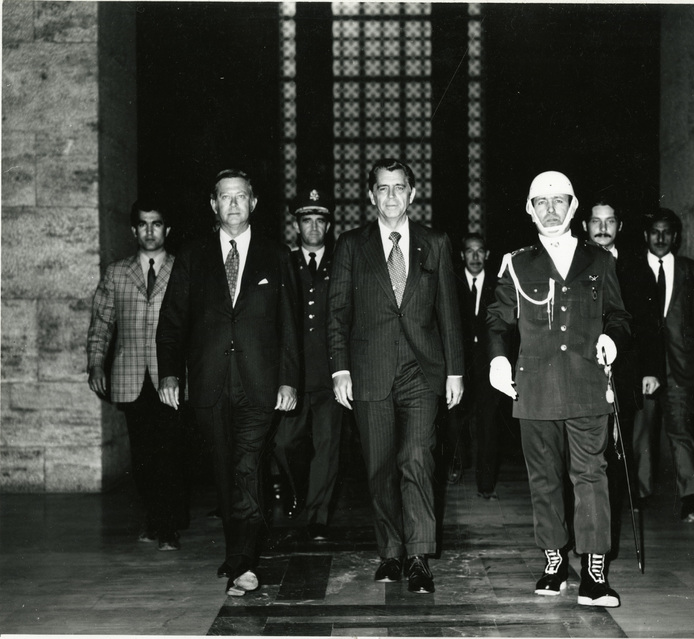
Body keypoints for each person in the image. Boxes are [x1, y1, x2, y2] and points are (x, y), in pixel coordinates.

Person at [486, 171, 630, 608]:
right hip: (535, 388)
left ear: (573, 207)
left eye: (559, 202)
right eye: (541, 203)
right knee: (543, 479)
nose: (550, 210)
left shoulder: (600, 261)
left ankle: (593, 572)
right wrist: (496, 357)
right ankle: (553, 561)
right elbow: (497, 318)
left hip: (588, 385)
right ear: (530, 210)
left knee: (591, 475)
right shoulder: (516, 262)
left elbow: (620, 316)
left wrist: (613, 338)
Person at [156, 169, 300, 597]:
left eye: (241, 197)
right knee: (224, 471)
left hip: (260, 384)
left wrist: (289, 381)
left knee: (246, 466)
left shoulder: (277, 256)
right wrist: (168, 373)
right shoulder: (193, 255)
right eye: (225, 197)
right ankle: (238, 551)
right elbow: (172, 322)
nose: (234, 204)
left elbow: (290, 326)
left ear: (254, 203)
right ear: (213, 205)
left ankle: (241, 563)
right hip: (209, 384)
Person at [327, 158, 464, 594]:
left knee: (417, 458)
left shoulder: (436, 243)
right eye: (382, 189)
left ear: (412, 193)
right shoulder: (351, 245)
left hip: (422, 371)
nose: (391, 196)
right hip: (369, 371)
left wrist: (456, 371)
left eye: (399, 188)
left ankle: (420, 557)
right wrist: (339, 368)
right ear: (371, 196)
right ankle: (391, 553)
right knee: (380, 467)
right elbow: (337, 314)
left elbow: (450, 313)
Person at [87, 201, 189, 551]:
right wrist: (96, 364)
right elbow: (102, 324)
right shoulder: (117, 273)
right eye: (143, 225)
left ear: (167, 229)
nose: (149, 231)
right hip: (131, 376)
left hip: (171, 377)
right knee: (143, 455)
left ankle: (169, 524)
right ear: (134, 230)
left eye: (156, 224)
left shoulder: (182, 269)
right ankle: (153, 517)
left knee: (172, 451)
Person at [582, 196, 662, 552]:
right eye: (596, 221)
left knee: (616, 452)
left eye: (609, 221)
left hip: (624, 374)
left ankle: (606, 541)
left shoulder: (635, 267)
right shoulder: (574, 262)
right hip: (581, 374)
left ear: (619, 227)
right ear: (585, 225)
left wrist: (652, 370)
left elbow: (649, 325)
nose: (602, 228)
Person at [633, 208, 694, 523]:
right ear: (646, 236)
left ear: (676, 237)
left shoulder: (691, 272)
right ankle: (638, 495)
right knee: (640, 432)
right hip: (644, 370)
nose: (660, 238)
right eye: (654, 231)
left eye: (666, 232)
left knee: (682, 431)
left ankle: (693, 498)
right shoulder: (632, 270)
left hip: (680, 369)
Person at [274, 187, 343, 542]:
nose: (313, 227)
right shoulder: (283, 262)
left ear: (328, 225)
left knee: (328, 446)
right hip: (294, 373)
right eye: (306, 220)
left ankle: (317, 514)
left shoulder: (339, 262)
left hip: (331, 372)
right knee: (285, 443)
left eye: (320, 220)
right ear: (296, 224)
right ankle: (293, 486)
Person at [444, 233, 505, 499]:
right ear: (462, 255)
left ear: (488, 255)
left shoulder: (499, 284)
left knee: (489, 423)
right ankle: (455, 463)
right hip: (459, 362)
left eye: (481, 251)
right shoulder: (452, 283)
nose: (476, 257)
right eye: (470, 251)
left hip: (489, 363)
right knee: (453, 418)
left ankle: (486, 483)